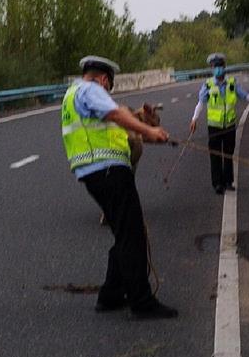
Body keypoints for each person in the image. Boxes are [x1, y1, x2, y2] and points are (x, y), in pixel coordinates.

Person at [62, 55, 177, 319]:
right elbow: (115, 113)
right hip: (108, 171)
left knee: (124, 233)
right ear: (104, 79)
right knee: (133, 234)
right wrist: (149, 132)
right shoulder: (90, 90)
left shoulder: (71, 95)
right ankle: (141, 301)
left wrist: (150, 135)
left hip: (94, 172)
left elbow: (117, 130)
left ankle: (111, 294)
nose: (108, 92)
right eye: (109, 87)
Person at [188, 52, 249, 194]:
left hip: (229, 126)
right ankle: (217, 184)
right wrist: (194, 119)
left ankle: (228, 181)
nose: (218, 69)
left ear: (224, 67)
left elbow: (246, 96)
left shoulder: (232, 83)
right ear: (212, 68)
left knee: (228, 154)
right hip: (214, 126)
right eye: (215, 66)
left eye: (220, 66)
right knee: (215, 155)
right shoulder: (208, 85)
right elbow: (200, 103)